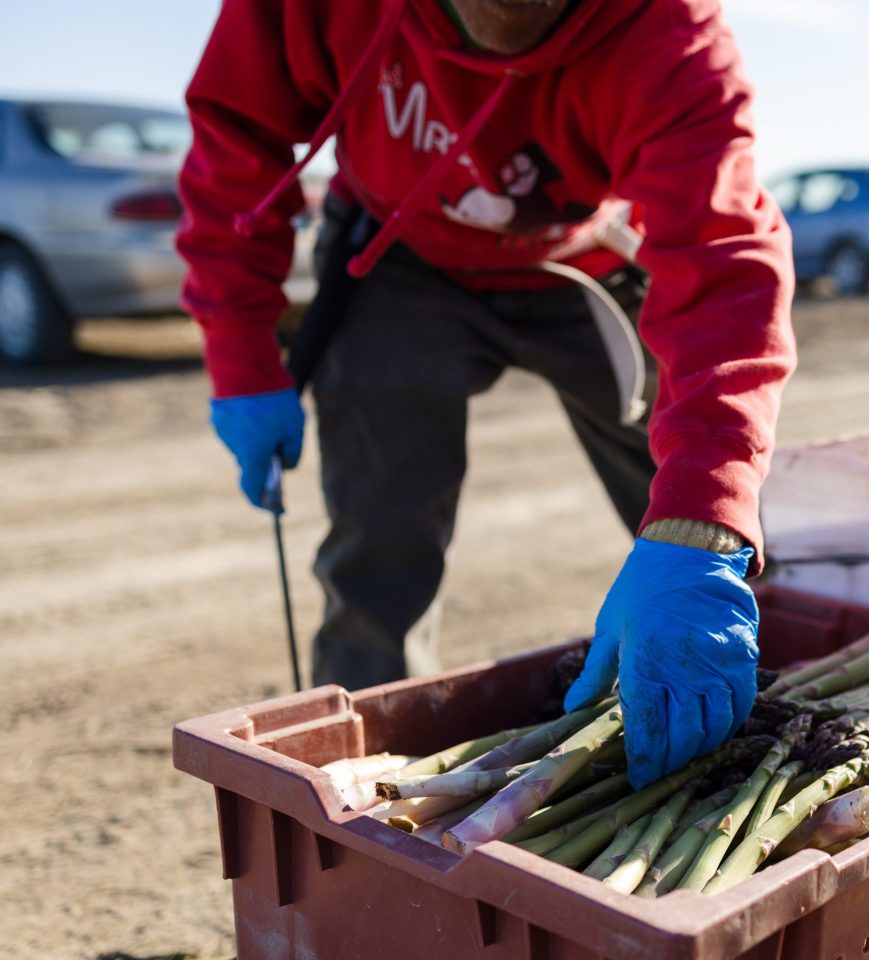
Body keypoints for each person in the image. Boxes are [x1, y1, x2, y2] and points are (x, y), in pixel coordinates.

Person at [177, 0, 795, 788]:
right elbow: (236, 135)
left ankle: (759, 721)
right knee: (378, 547)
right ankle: (374, 796)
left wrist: (705, 523)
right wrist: (241, 356)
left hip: (583, 261)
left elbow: (723, 265)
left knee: (710, 530)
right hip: (397, 254)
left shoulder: (671, 36)